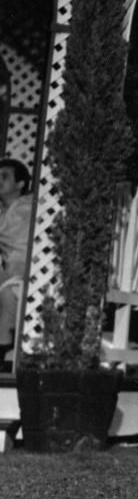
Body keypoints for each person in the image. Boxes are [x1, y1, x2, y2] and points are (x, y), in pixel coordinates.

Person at [0, 157, 33, 369]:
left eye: (4, 177)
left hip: (25, 275)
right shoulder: (5, 211)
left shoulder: (25, 209)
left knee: (8, 293)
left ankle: (2, 353)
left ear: (20, 184)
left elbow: (7, 233)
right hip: (10, 274)